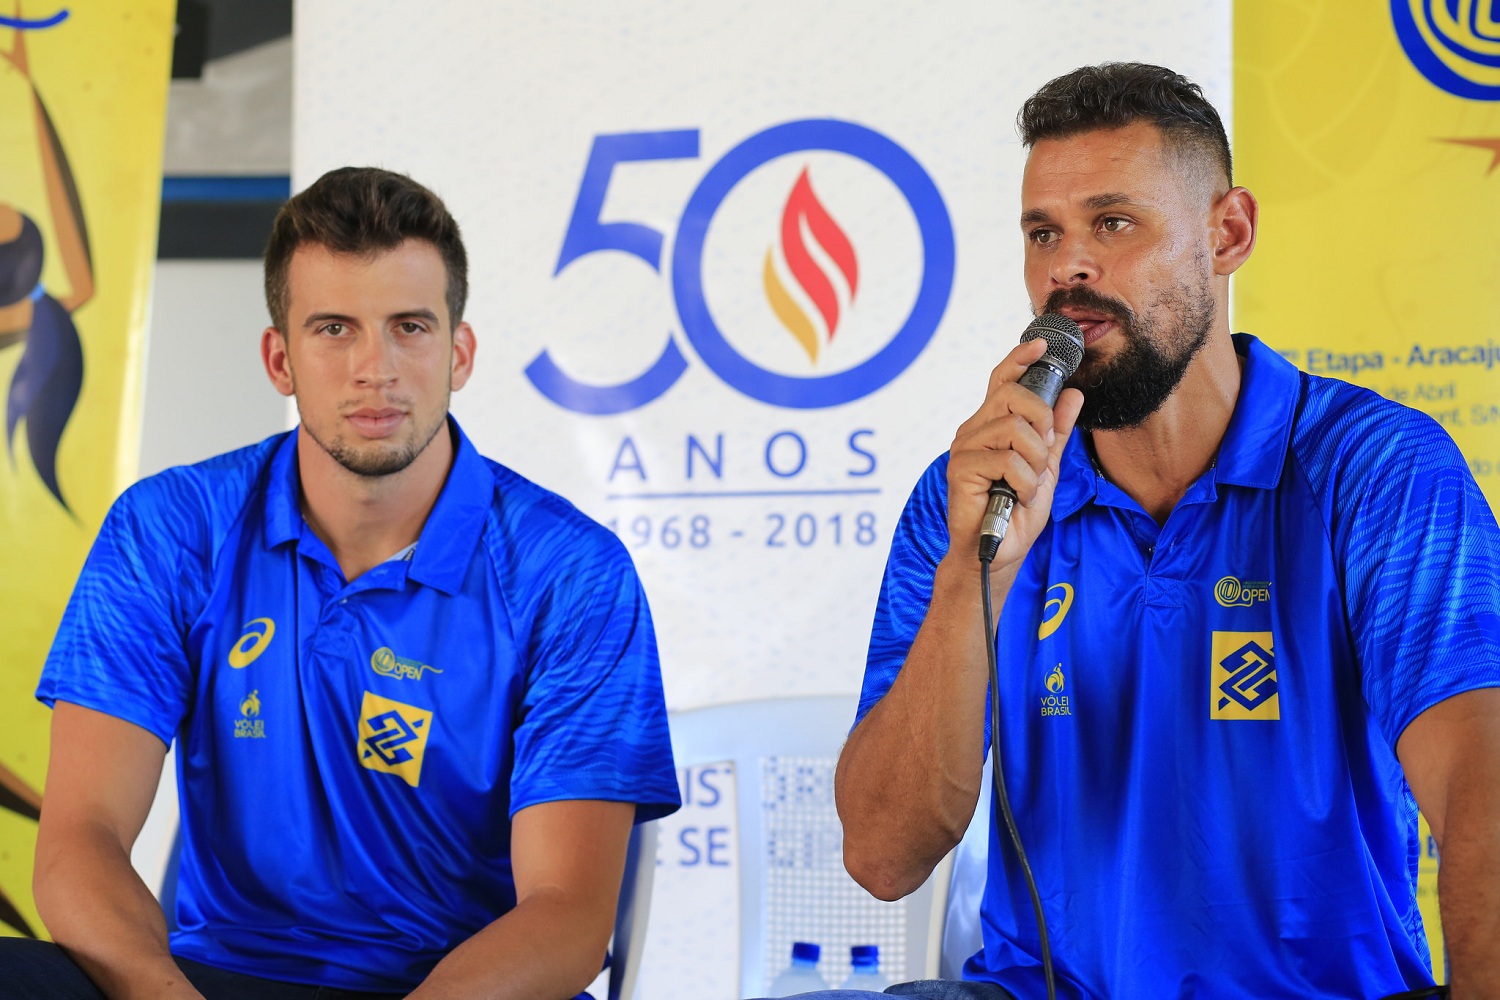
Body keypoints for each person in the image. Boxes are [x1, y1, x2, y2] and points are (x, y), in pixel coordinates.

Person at [835, 63, 1500, 999]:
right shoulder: (973, 496)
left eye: (1113, 223)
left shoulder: (1376, 468)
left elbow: (1483, 788)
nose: (1069, 268)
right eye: (1043, 233)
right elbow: (881, 856)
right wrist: (970, 576)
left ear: (1227, 234)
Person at [1, 167, 680, 999]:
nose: (375, 367)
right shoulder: (170, 526)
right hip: (218, 978)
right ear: (278, 359)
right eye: (333, 328)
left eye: (409, 327)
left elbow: (570, 915)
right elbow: (81, 840)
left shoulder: (572, 572)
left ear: (459, 353)